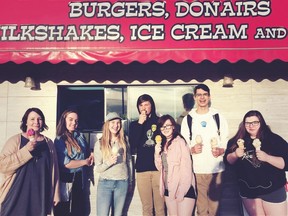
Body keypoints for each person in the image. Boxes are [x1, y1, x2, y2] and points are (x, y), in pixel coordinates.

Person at [224, 110, 288, 216]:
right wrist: (235, 155)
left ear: (261, 123)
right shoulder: (236, 141)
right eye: (248, 123)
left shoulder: (274, 139)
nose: (251, 125)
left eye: (255, 122)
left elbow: (286, 163)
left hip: (273, 190)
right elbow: (227, 162)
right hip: (249, 192)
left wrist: (267, 158)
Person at [0, 107, 60, 216]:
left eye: (39, 119)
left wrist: (56, 193)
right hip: (16, 195)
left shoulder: (49, 143)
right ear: (26, 122)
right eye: (32, 119)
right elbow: (2, 165)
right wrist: (26, 150)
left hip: (40, 195)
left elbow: (54, 170)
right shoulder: (15, 140)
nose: (36, 122)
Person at [181, 84, 229, 216]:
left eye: (205, 94)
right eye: (199, 95)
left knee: (215, 208)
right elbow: (183, 145)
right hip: (197, 169)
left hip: (216, 169)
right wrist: (192, 149)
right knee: (201, 208)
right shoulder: (188, 119)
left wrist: (221, 150)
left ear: (209, 96)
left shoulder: (217, 116)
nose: (202, 98)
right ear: (195, 97)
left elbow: (225, 139)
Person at [129, 94, 165, 216]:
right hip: (142, 170)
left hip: (158, 169)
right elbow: (133, 144)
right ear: (138, 108)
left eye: (146, 104)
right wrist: (140, 123)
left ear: (151, 105)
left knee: (160, 208)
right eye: (141, 105)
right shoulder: (134, 125)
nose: (144, 107)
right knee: (147, 207)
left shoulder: (160, 122)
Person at [54, 109, 94, 216]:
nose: (74, 123)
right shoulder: (59, 140)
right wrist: (85, 162)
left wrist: (92, 155)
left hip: (80, 179)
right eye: (70, 119)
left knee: (79, 210)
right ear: (64, 120)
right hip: (67, 180)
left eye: (76, 121)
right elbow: (66, 164)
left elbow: (87, 152)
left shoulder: (80, 136)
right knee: (65, 210)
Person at [154, 115, 196, 216]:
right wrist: (156, 153)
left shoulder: (180, 142)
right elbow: (160, 168)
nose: (165, 129)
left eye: (168, 126)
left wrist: (182, 191)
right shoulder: (162, 144)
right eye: (163, 127)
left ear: (173, 127)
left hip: (183, 188)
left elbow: (186, 168)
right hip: (169, 188)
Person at [94, 112, 133, 216]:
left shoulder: (125, 140)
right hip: (105, 183)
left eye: (118, 122)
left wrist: (130, 181)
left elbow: (129, 162)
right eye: (113, 122)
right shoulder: (100, 143)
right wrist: (108, 162)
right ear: (107, 124)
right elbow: (98, 168)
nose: (116, 125)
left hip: (122, 183)